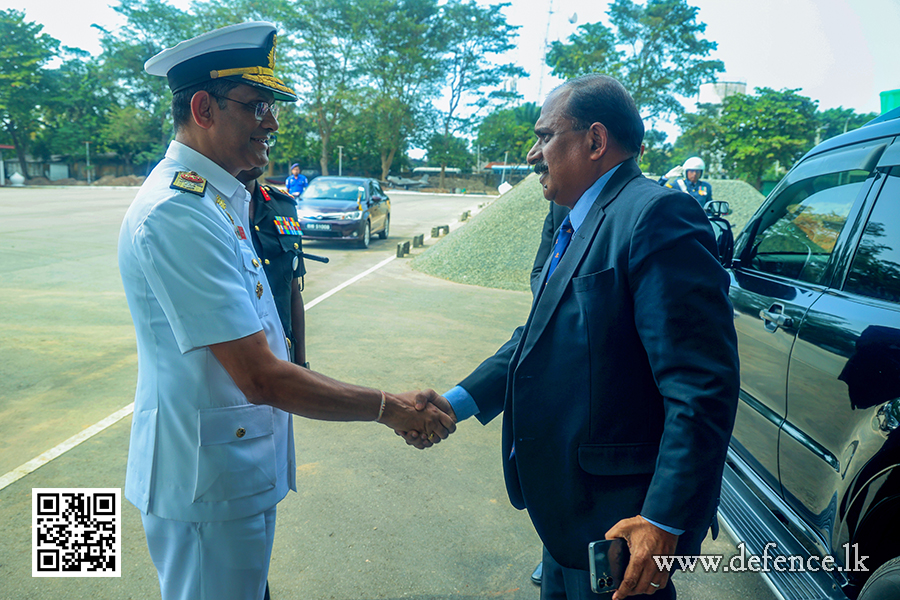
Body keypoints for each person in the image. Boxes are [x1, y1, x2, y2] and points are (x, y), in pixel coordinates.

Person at [117, 22, 455, 600]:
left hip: (230, 473)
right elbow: (259, 374)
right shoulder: (178, 213)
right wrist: (391, 408)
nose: (271, 122)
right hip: (207, 487)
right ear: (203, 107)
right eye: (256, 105)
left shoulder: (221, 201)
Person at [403, 74, 739, 599]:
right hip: (562, 514)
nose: (534, 154)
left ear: (595, 141)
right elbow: (538, 335)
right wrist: (454, 403)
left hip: (621, 522)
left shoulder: (655, 216)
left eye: (545, 136)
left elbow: (700, 386)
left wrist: (664, 519)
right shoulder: (562, 215)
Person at [238, 158, 307, 368]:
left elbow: (293, 292)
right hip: (239, 368)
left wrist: (301, 365)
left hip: (284, 360)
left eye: (268, 139)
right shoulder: (207, 209)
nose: (265, 142)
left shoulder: (283, 207)